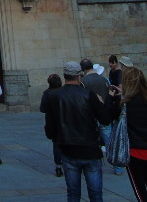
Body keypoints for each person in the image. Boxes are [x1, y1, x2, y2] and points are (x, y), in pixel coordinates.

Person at [45, 61, 115, 202]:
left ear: (65, 76)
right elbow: (106, 119)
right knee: (96, 195)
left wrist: (58, 140)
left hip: (68, 149)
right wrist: (110, 100)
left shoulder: (53, 96)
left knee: (73, 194)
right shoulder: (89, 95)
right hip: (90, 150)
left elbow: (49, 130)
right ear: (79, 76)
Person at [111, 66, 147, 202]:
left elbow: (108, 116)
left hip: (135, 152)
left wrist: (115, 97)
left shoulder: (124, 104)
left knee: (140, 191)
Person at [81, 58, 121, 175]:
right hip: (104, 114)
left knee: (92, 141)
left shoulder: (83, 82)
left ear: (83, 69)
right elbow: (110, 94)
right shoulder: (103, 79)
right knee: (109, 140)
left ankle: (93, 166)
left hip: (91, 116)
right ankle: (117, 166)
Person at [40, 73, 63, 177]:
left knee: (56, 145)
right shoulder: (64, 92)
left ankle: (58, 167)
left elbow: (42, 109)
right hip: (65, 122)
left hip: (52, 123)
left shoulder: (46, 93)